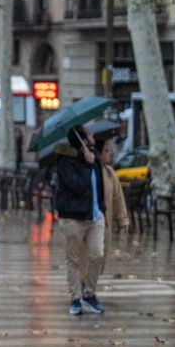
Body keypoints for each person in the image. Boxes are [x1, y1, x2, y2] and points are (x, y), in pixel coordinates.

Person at [54, 126, 106, 316]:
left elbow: (99, 188)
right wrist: (88, 165)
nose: (93, 136)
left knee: (97, 255)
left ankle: (89, 294)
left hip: (94, 216)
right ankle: (75, 298)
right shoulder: (65, 161)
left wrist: (102, 211)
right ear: (82, 139)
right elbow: (78, 186)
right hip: (73, 217)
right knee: (73, 260)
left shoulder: (94, 157)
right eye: (89, 134)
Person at [99, 138, 129, 274]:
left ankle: (90, 288)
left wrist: (123, 218)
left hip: (106, 223)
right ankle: (84, 287)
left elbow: (118, 197)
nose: (109, 154)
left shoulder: (110, 173)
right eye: (106, 151)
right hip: (89, 221)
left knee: (102, 255)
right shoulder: (89, 171)